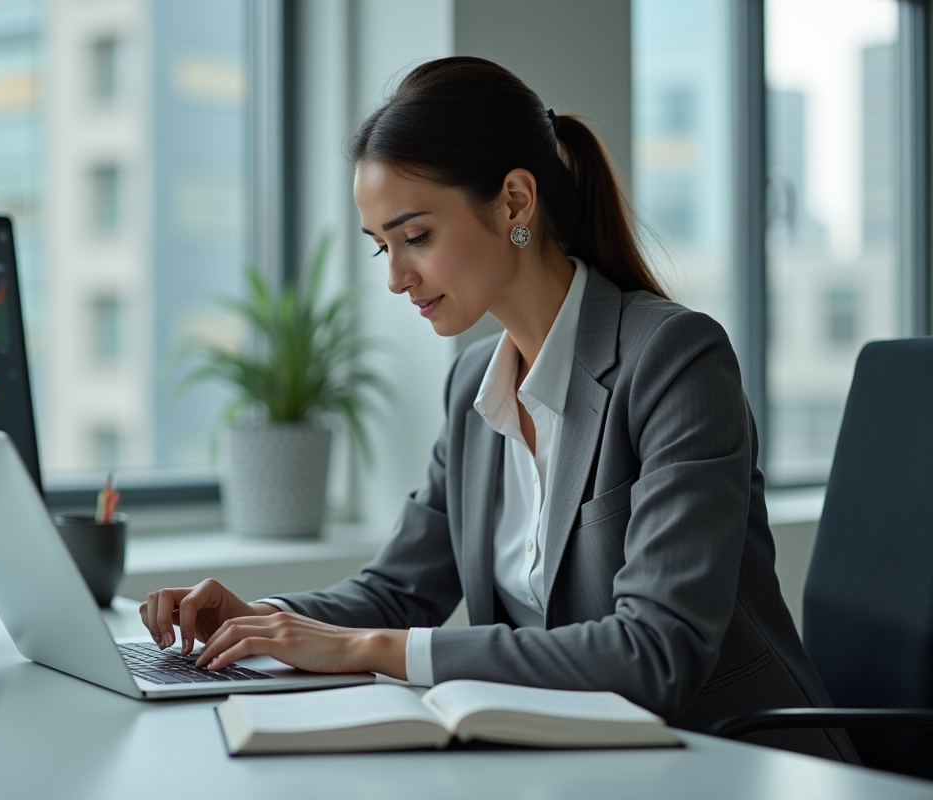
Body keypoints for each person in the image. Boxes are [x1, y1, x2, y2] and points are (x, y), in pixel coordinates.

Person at [140, 56, 856, 763]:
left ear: (515, 202)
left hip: (733, 758)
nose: (396, 278)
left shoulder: (674, 358)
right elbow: (397, 589)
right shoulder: (473, 386)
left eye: (416, 237)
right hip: (576, 764)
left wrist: (370, 649)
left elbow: (655, 651)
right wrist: (260, 619)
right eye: (382, 248)